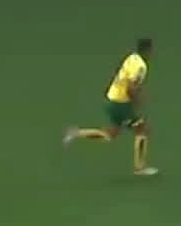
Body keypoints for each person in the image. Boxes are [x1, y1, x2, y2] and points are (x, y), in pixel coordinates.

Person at [62, 37, 158, 177]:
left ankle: (76, 133)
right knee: (142, 130)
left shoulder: (132, 58)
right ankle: (140, 167)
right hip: (121, 103)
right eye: (152, 49)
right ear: (147, 50)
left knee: (110, 134)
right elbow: (131, 88)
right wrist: (137, 101)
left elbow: (128, 81)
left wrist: (138, 94)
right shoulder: (141, 67)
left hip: (114, 97)